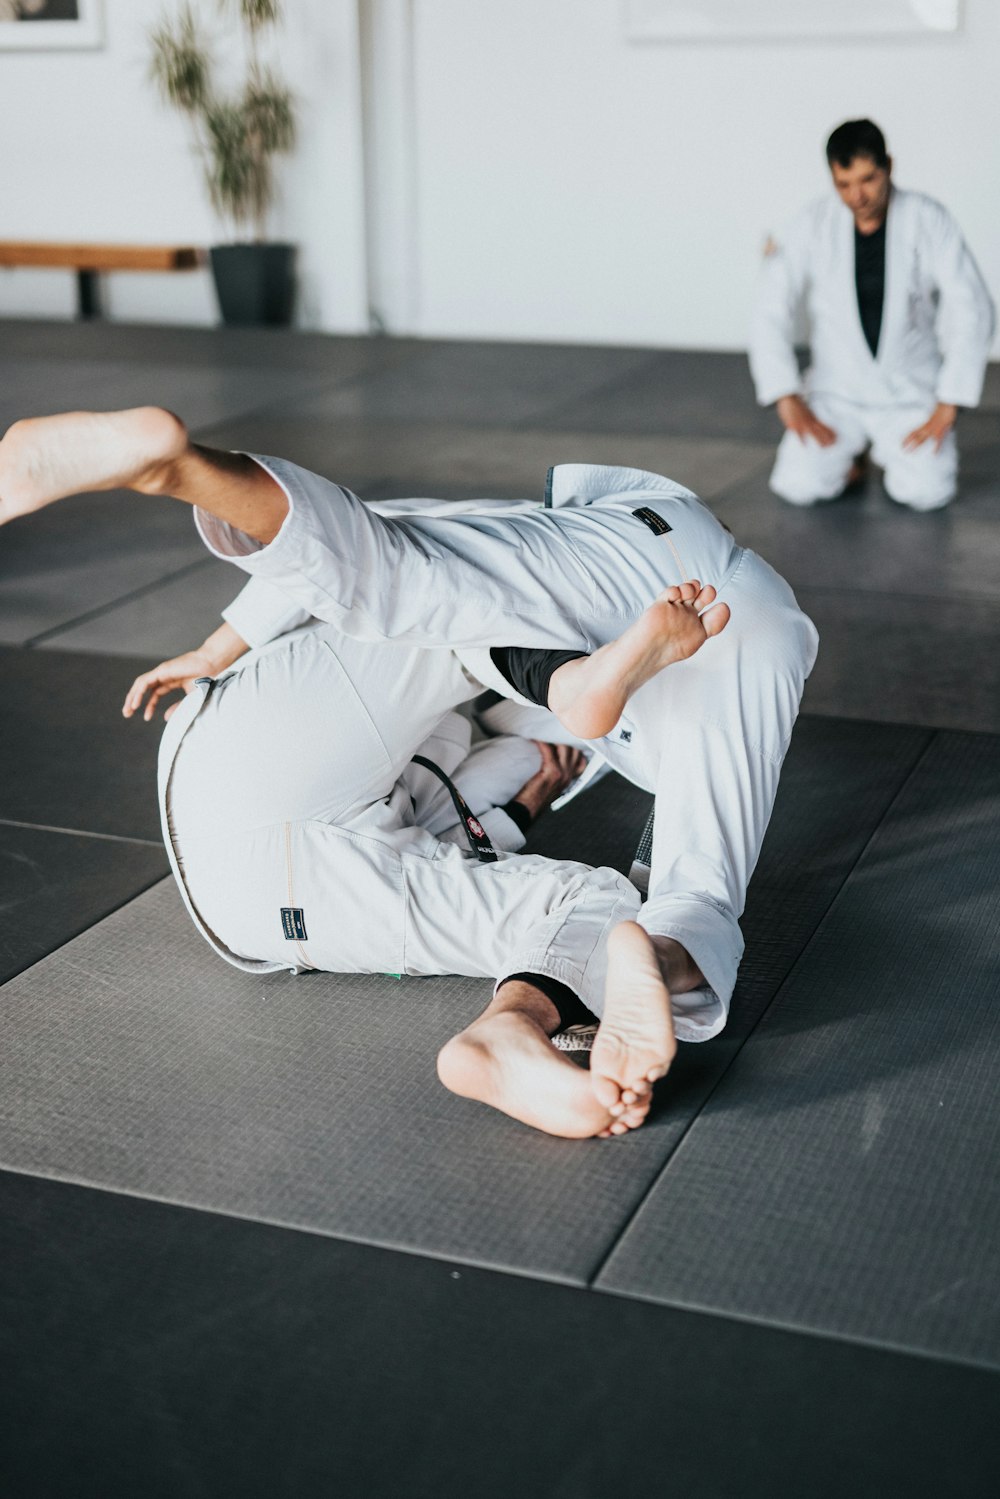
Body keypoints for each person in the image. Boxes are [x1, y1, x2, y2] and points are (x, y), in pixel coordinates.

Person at [0, 406, 817, 1138]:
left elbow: (378, 546)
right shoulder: (622, 568)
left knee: (424, 600)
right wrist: (221, 647)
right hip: (259, 874)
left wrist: (221, 648)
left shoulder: (545, 573)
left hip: (261, 872)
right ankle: (624, 927)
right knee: (691, 884)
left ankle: (513, 1027)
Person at [750, 117, 995, 511]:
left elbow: (972, 304)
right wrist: (784, 393)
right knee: (799, 484)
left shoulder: (927, 218)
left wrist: (950, 401)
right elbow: (770, 306)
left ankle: (880, 452)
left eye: (867, 180)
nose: (856, 195)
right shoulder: (812, 222)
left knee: (925, 492)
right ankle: (856, 456)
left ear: (888, 167)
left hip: (907, 392)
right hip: (837, 392)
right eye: (844, 184)